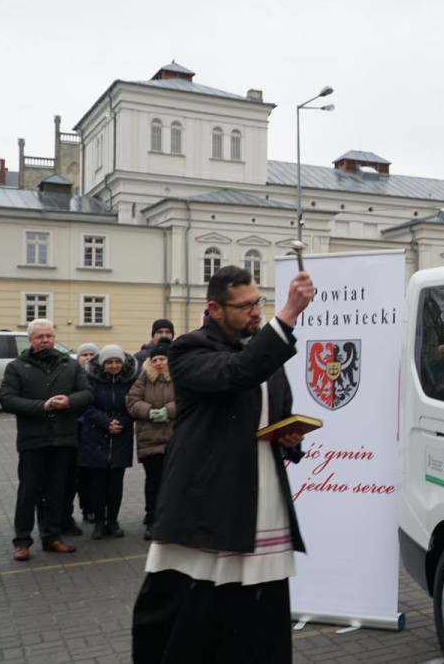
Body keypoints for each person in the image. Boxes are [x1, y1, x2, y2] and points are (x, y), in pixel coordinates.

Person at [131, 265, 315, 663]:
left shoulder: (265, 352)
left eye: (258, 302)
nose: (256, 312)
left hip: (262, 495)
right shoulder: (188, 348)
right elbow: (236, 374)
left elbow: (276, 408)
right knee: (198, 611)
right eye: (245, 306)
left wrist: (289, 438)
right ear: (215, 308)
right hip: (209, 500)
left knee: (262, 609)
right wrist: (288, 314)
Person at [0, 319, 93, 561]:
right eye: (39, 337)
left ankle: (51, 537)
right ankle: (22, 541)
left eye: (49, 336)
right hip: (33, 439)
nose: (45, 340)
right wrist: (42, 406)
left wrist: (69, 401)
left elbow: (87, 393)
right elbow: (7, 399)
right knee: (28, 492)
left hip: (63, 439)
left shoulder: (69, 365)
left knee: (56, 492)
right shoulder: (17, 366)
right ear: (30, 340)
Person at [79, 345, 137, 540]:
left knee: (115, 483)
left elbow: (134, 404)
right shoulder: (89, 379)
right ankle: (99, 523)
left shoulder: (131, 380)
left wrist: (122, 422)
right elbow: (85, 404)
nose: (114, 366)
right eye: (109, 362)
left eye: (117, 362)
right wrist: (105, 422)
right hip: (95, 435)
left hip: (121, 436)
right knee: (97, 484)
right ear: (102, 364)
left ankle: (113, 521)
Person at [125, 338, 175, 540]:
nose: (159, 363)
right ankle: (152, 520)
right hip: (150, 439)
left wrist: (168, 410)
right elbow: (131, 400)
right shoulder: (144, 377)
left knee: (172, 483)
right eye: (155, 360)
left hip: (173, 439)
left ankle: (170, 521)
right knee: (153, 483)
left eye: (162, 359)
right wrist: (150, 411)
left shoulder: (179, 377)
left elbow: (186, 399)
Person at [68, 343, 99, 527]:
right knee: (75, 475)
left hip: (95, 432)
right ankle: (79, 511)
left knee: (91, 475)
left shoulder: (99, 377)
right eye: (84, 354)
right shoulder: (71, 376)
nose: (88, 358)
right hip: (75, 431)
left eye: (92, 354)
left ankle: (91, 509)